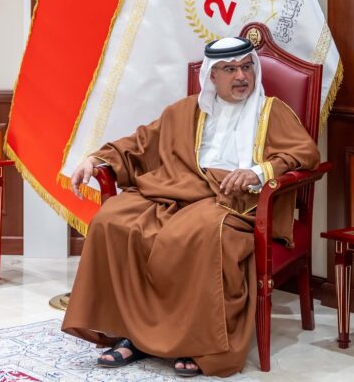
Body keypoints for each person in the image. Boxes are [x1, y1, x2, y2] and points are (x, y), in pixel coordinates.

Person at [62, 36, 320, 377]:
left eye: (246, 67)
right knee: (112, 220)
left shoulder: (271, 111)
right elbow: (140, 143)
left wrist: (258, 172)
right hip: (178, 189)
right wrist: (96, 160)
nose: (241, 76)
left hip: (235, 202)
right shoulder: (186, 111)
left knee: (196, 235)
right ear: (212, 75)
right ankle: (133, 336)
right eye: (230, 69)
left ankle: (197, 344)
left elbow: (306, 153)